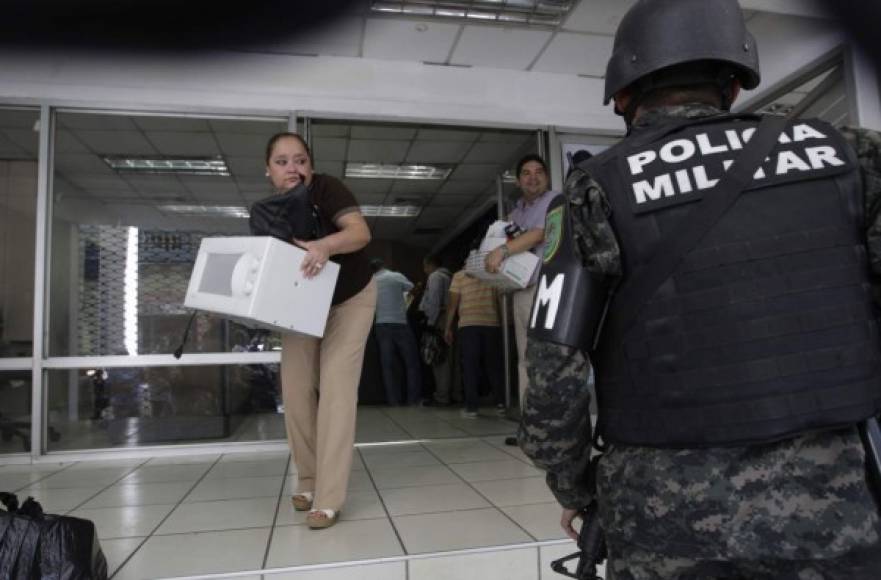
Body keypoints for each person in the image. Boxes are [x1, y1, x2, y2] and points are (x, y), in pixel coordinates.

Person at [520, 0, 881, 578]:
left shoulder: (594, 189)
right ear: (735, 83)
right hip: (836, 507)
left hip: (664, 521)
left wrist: (575, 486)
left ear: (621, 95)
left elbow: (553, 372)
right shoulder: (851, 156)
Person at [265, 132, 376, 530]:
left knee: (336, 388)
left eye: (300, 160)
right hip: (305, 300)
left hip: (350, 297)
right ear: (269, 170)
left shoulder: (327, 189)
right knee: (295, 389)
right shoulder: (270, 211)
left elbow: (360, 233)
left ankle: (328, 497)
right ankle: (308, 479)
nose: (292, 168)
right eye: (282, 161)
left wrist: (324, 245)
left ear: (310, 166)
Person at [484, 154, 559, 443]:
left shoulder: (554, 201)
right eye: (526, 173)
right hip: (522, 290)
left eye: (539, 172)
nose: (533, 177)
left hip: (549, 287)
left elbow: (539, 234)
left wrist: (502, 251)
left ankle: (553, 428)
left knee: (549, 356)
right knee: (526, 359)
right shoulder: (515, 214)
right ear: (518, 180)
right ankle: (531, 428)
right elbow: (507, 245)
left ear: (547, 177)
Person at [444, 268, 505, 418]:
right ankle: (501, 404)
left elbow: (453, 304)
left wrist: (447, 328)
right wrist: (503, 323)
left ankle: (471, 408)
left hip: (469, 325)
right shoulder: (493, 273)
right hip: (492, 323)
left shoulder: (459, 275)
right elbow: (500, 300)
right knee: (494, 365)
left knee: (470, 366)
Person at [369, 258, 422, 406]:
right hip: (400, 323)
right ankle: (412, 400)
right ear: (384, 266)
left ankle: (393, 401)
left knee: (387, 366)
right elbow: (413, 290)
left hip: (381, 325)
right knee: (411, 363)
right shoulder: (395, 276)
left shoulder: (370, 282)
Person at [418, 254, 453, 405]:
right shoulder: (450, 276)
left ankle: (441, 396)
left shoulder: (435, 277)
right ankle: (453, 394)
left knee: (438, 358)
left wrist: (430, 322)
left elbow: (434, 300)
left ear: (430, 264)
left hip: (438, 320)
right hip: (450, 319)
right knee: (450, 359)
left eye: (425, 266)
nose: (424, 270)